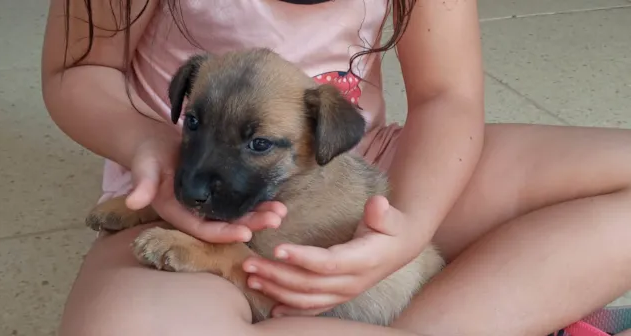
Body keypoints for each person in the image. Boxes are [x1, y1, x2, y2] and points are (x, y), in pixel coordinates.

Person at [41, 0, 631, 335]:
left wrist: (409, 225)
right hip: (168, 198)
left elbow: (447, 96)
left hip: (363, 162)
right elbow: (76, 68)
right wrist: (151, 146)